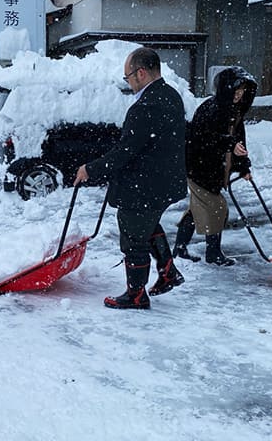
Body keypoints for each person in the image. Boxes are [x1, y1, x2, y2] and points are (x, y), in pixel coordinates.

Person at [74, 47, 187, 310]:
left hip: (144, 186)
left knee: (133, 237)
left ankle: (136, 295)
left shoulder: (146, 106)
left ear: (141, 72)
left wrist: (90, 169)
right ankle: (168, 272)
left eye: (128, 78)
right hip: (164, 183)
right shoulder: (170, 96)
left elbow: (126, 151)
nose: (128, 83)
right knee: (146, 225)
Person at [173, 66, 257, 265]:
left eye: (243, 91)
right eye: (236, 90)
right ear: (226, 89)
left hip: (214, 169)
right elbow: (202, 139)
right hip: (199, 169)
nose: (239, 95)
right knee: (217, 207)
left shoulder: (235, 112)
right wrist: (228, 144)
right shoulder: (211, 109)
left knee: (196, 209)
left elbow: (239, 142)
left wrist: (243, 167)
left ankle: (180, 247)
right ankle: (213, 254)